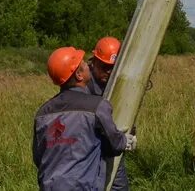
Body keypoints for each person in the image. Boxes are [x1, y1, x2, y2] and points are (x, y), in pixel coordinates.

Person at [33, 46, 135, 191]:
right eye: (84, 64)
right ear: (79, 75)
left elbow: (39, 157)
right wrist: (125, 140)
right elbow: (115, 145)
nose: (89, 65)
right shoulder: (97, 106)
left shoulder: (42, 113)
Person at [84, 37, 129, 191]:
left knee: (119, 187)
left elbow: (124, 108)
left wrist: (129, 134)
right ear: (94, 61)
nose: (109, 72)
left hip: (112, 148)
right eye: (104, 67)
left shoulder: (117, 82)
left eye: (113, 68)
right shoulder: (82, 85)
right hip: (89, 152)